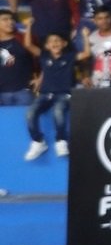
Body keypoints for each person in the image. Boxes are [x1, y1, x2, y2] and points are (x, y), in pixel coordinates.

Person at [24, 31, 74, 160]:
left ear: (64, 44)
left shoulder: (69, 57)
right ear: (46, 46)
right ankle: (38, 142)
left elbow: (86, 54)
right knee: (30, 113)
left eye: (58, 40)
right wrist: (29, 26)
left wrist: (84, 37)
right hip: (46, 94)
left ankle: (61, 141)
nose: (55, 43)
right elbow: (28, 45)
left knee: (58, 111)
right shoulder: (44, 56)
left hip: (64, 94)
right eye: (51, 41)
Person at [0, 9, 33, 108]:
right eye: (5, 19)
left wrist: (40, 78)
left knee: (25, 122)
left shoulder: (23, 39)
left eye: (11, 19)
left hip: (23, 91)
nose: (10, 22)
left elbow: (43, 57)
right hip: (1, 93)